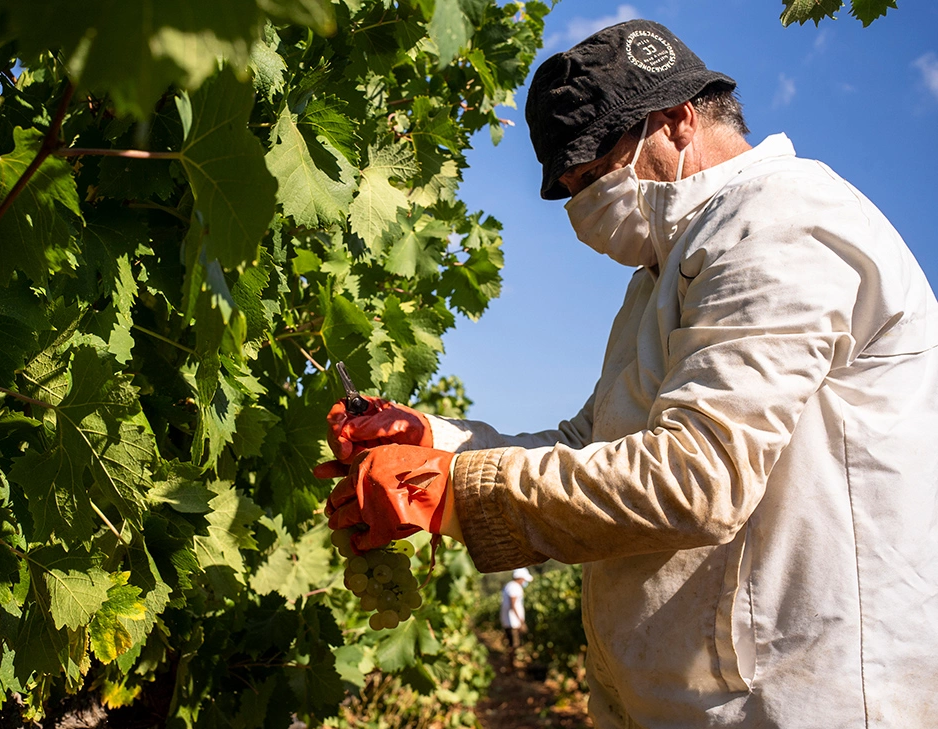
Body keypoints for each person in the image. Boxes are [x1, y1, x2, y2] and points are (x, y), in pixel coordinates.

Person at [319, 18, 938, 729]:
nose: (584, 206)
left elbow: (698, 476)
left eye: (594, 175)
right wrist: (431, 439)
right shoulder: (659, 277)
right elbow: (585, 443)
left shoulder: (779, 222)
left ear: (674, 121)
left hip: (797, 702)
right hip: (689, 703)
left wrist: (451, 493)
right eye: (571, 187)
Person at [500, 568, 533, 670]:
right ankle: (510, 666)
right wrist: (521, 621)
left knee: (512, 644)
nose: (525, 582)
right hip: (513, 621)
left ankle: (510, 665)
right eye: (524, 580)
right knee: (513, 645)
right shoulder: (515, 587)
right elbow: (513, 604)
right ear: (520, 578)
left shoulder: (509, 586)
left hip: (509, 621)